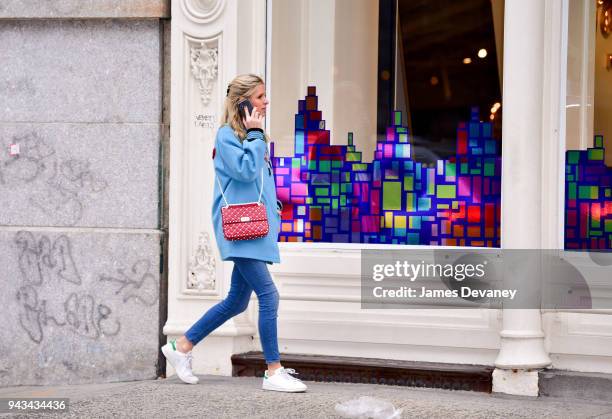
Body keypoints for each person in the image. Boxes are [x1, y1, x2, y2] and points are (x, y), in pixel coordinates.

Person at [161, 74, 307, 393]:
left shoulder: (252, 136)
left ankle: (181, 347)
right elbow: (245, 171)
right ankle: (273, 370)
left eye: (265, 96)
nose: (266, 102)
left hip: (255, 228)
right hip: (241, 229)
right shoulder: (227, 136)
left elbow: (259, 182)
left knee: (236, 302)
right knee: (269, 296)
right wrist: (255, 135)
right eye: (259, 97)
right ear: (242, 103)